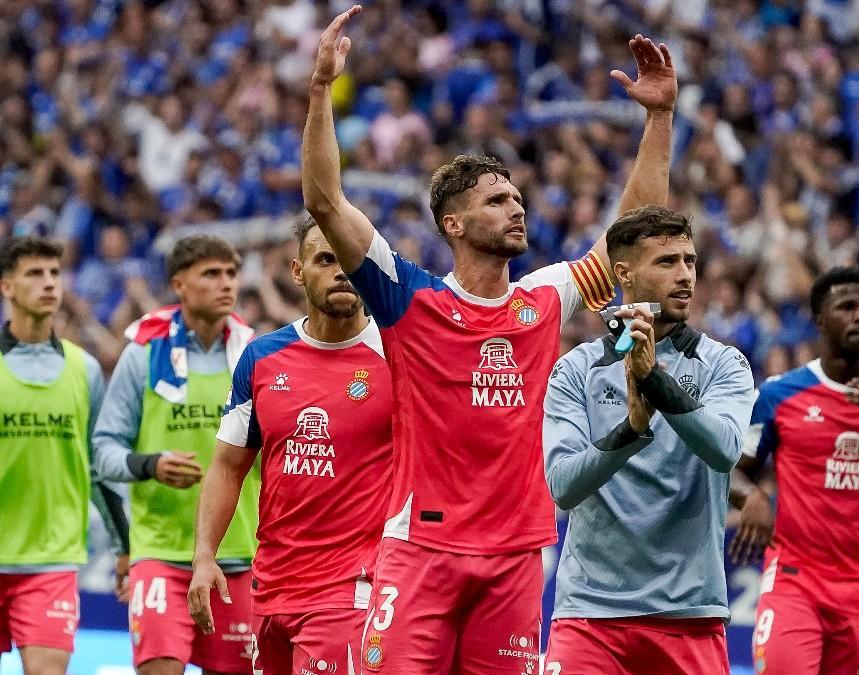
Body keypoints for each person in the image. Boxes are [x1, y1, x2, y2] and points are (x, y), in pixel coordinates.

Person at [300, 6, 677, 673]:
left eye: (517, 197)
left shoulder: (543, 298)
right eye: (497, 200)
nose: (517, 207)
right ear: (454, 222)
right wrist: (321, 90)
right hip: (420, 549)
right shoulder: (408, 297)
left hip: (515, 555)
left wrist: (658, 119)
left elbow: (635, 233)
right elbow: (326, 202)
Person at [541, 206, 755, 674]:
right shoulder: (575, 371)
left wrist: (652, 378)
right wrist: (632, 430)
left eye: (690, 261)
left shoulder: (725, 365)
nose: (685, 276)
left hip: (689, 614)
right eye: (667, 262)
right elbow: (562, 485)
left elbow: (724, 449)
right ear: (624, 273)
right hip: (590, 615)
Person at [186, 217, 393, 675]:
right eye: (325, 259)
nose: (342, 271)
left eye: (351, 261)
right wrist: (204, 557)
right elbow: (226, 467)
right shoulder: (261, 358)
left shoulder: (397, 354)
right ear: (298, 271)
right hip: (272, 587)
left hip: (353, 587)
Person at [730, 266, 859, 675]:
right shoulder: (779, 394)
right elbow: (731, 471)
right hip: (795, 579)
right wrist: (751, 496)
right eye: (847, 307)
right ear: (820, 320)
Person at [92, 235, 258, 675]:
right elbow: (104, 451)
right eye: (211, 273)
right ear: (179, 284)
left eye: (231, 273)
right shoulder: (142, 356)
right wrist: (151, 464)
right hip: (161, 555)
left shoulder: (257, 358)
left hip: (239, 556)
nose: (226, 284)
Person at [0, 236, 126, 675]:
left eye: (55, 273)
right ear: (7, 287)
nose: (49, 283)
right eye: (35, 273)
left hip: (50, 561)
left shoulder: (84, 369)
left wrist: (123, 545)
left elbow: (99, 465)